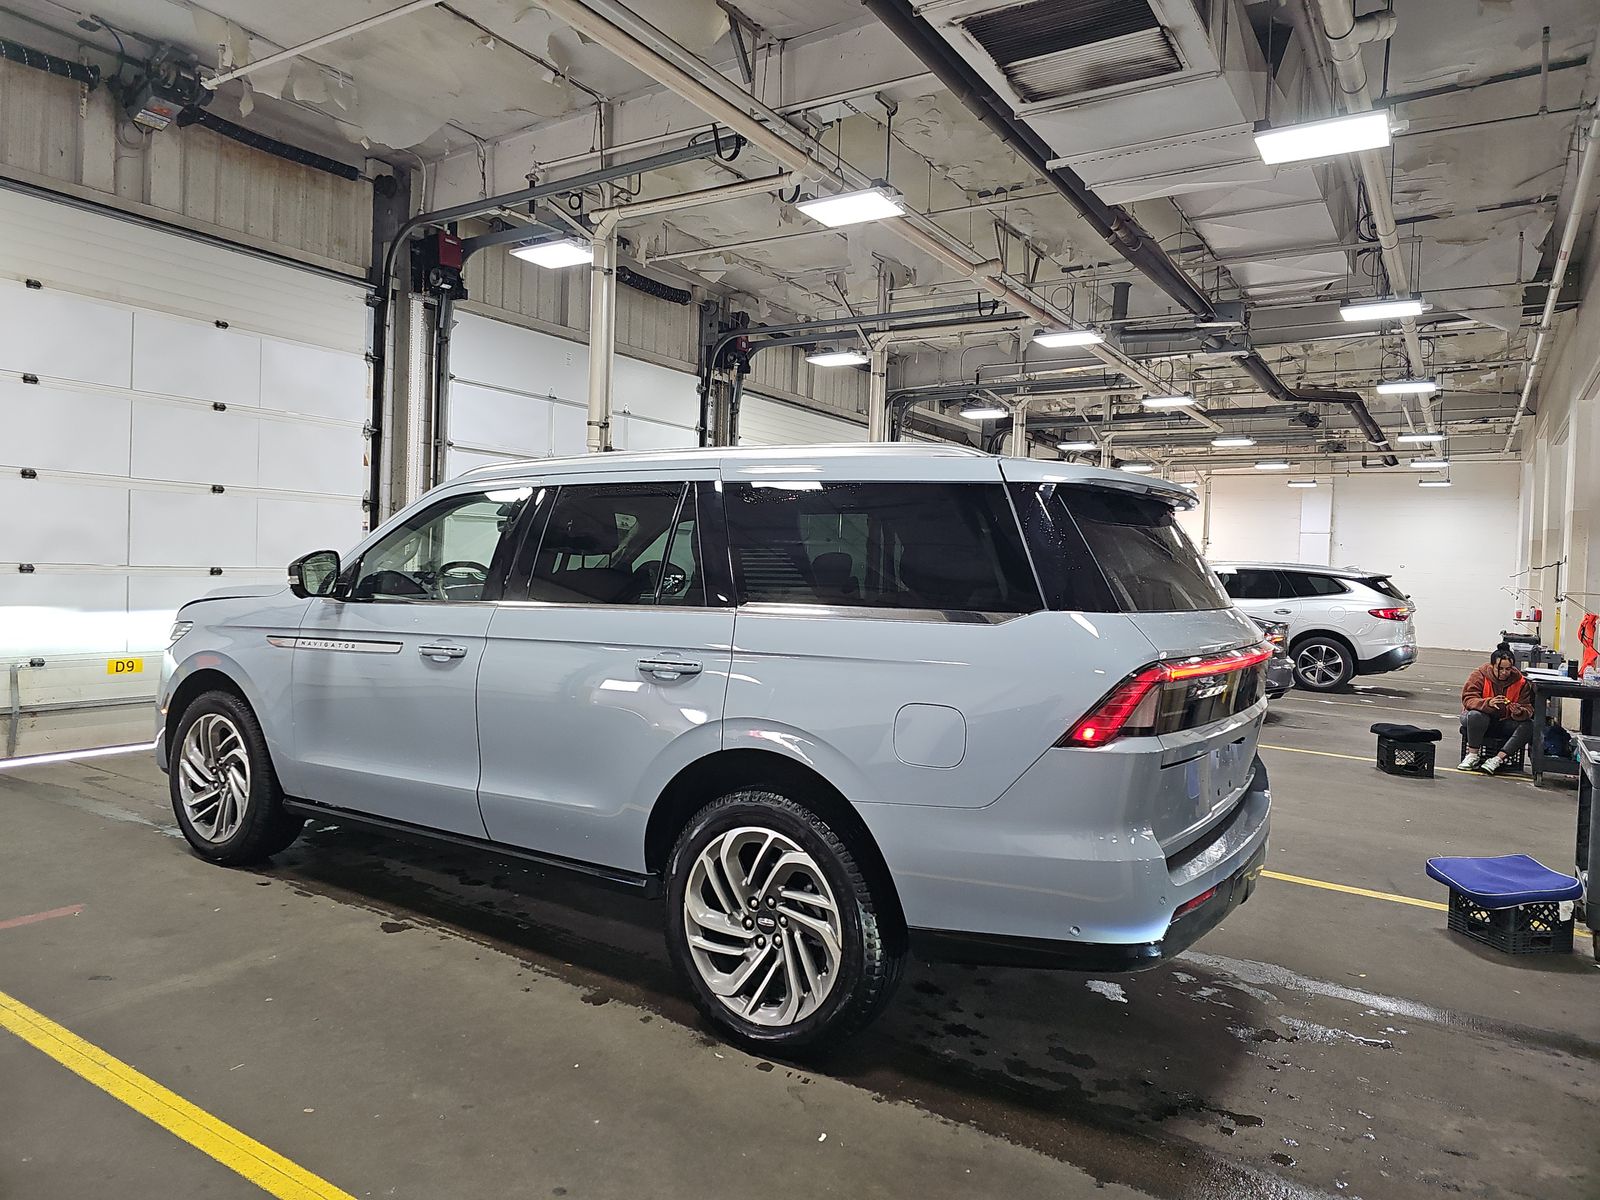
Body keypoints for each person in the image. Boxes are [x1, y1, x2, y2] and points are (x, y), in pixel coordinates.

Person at [1459, 647, 1534, 774]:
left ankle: (1497, 759)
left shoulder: (1521, 682)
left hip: (1504, 721)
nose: (1504, 672)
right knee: (1476, 716)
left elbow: (1528, 708)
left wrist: (1519, 712)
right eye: (1500, 669)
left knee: (1529, 725)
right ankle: (1472, 755)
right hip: (1479, 719)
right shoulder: (1479, 675)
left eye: (1508, 669)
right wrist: (1487, 703)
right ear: (1492, 666)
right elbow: (1468, 699)